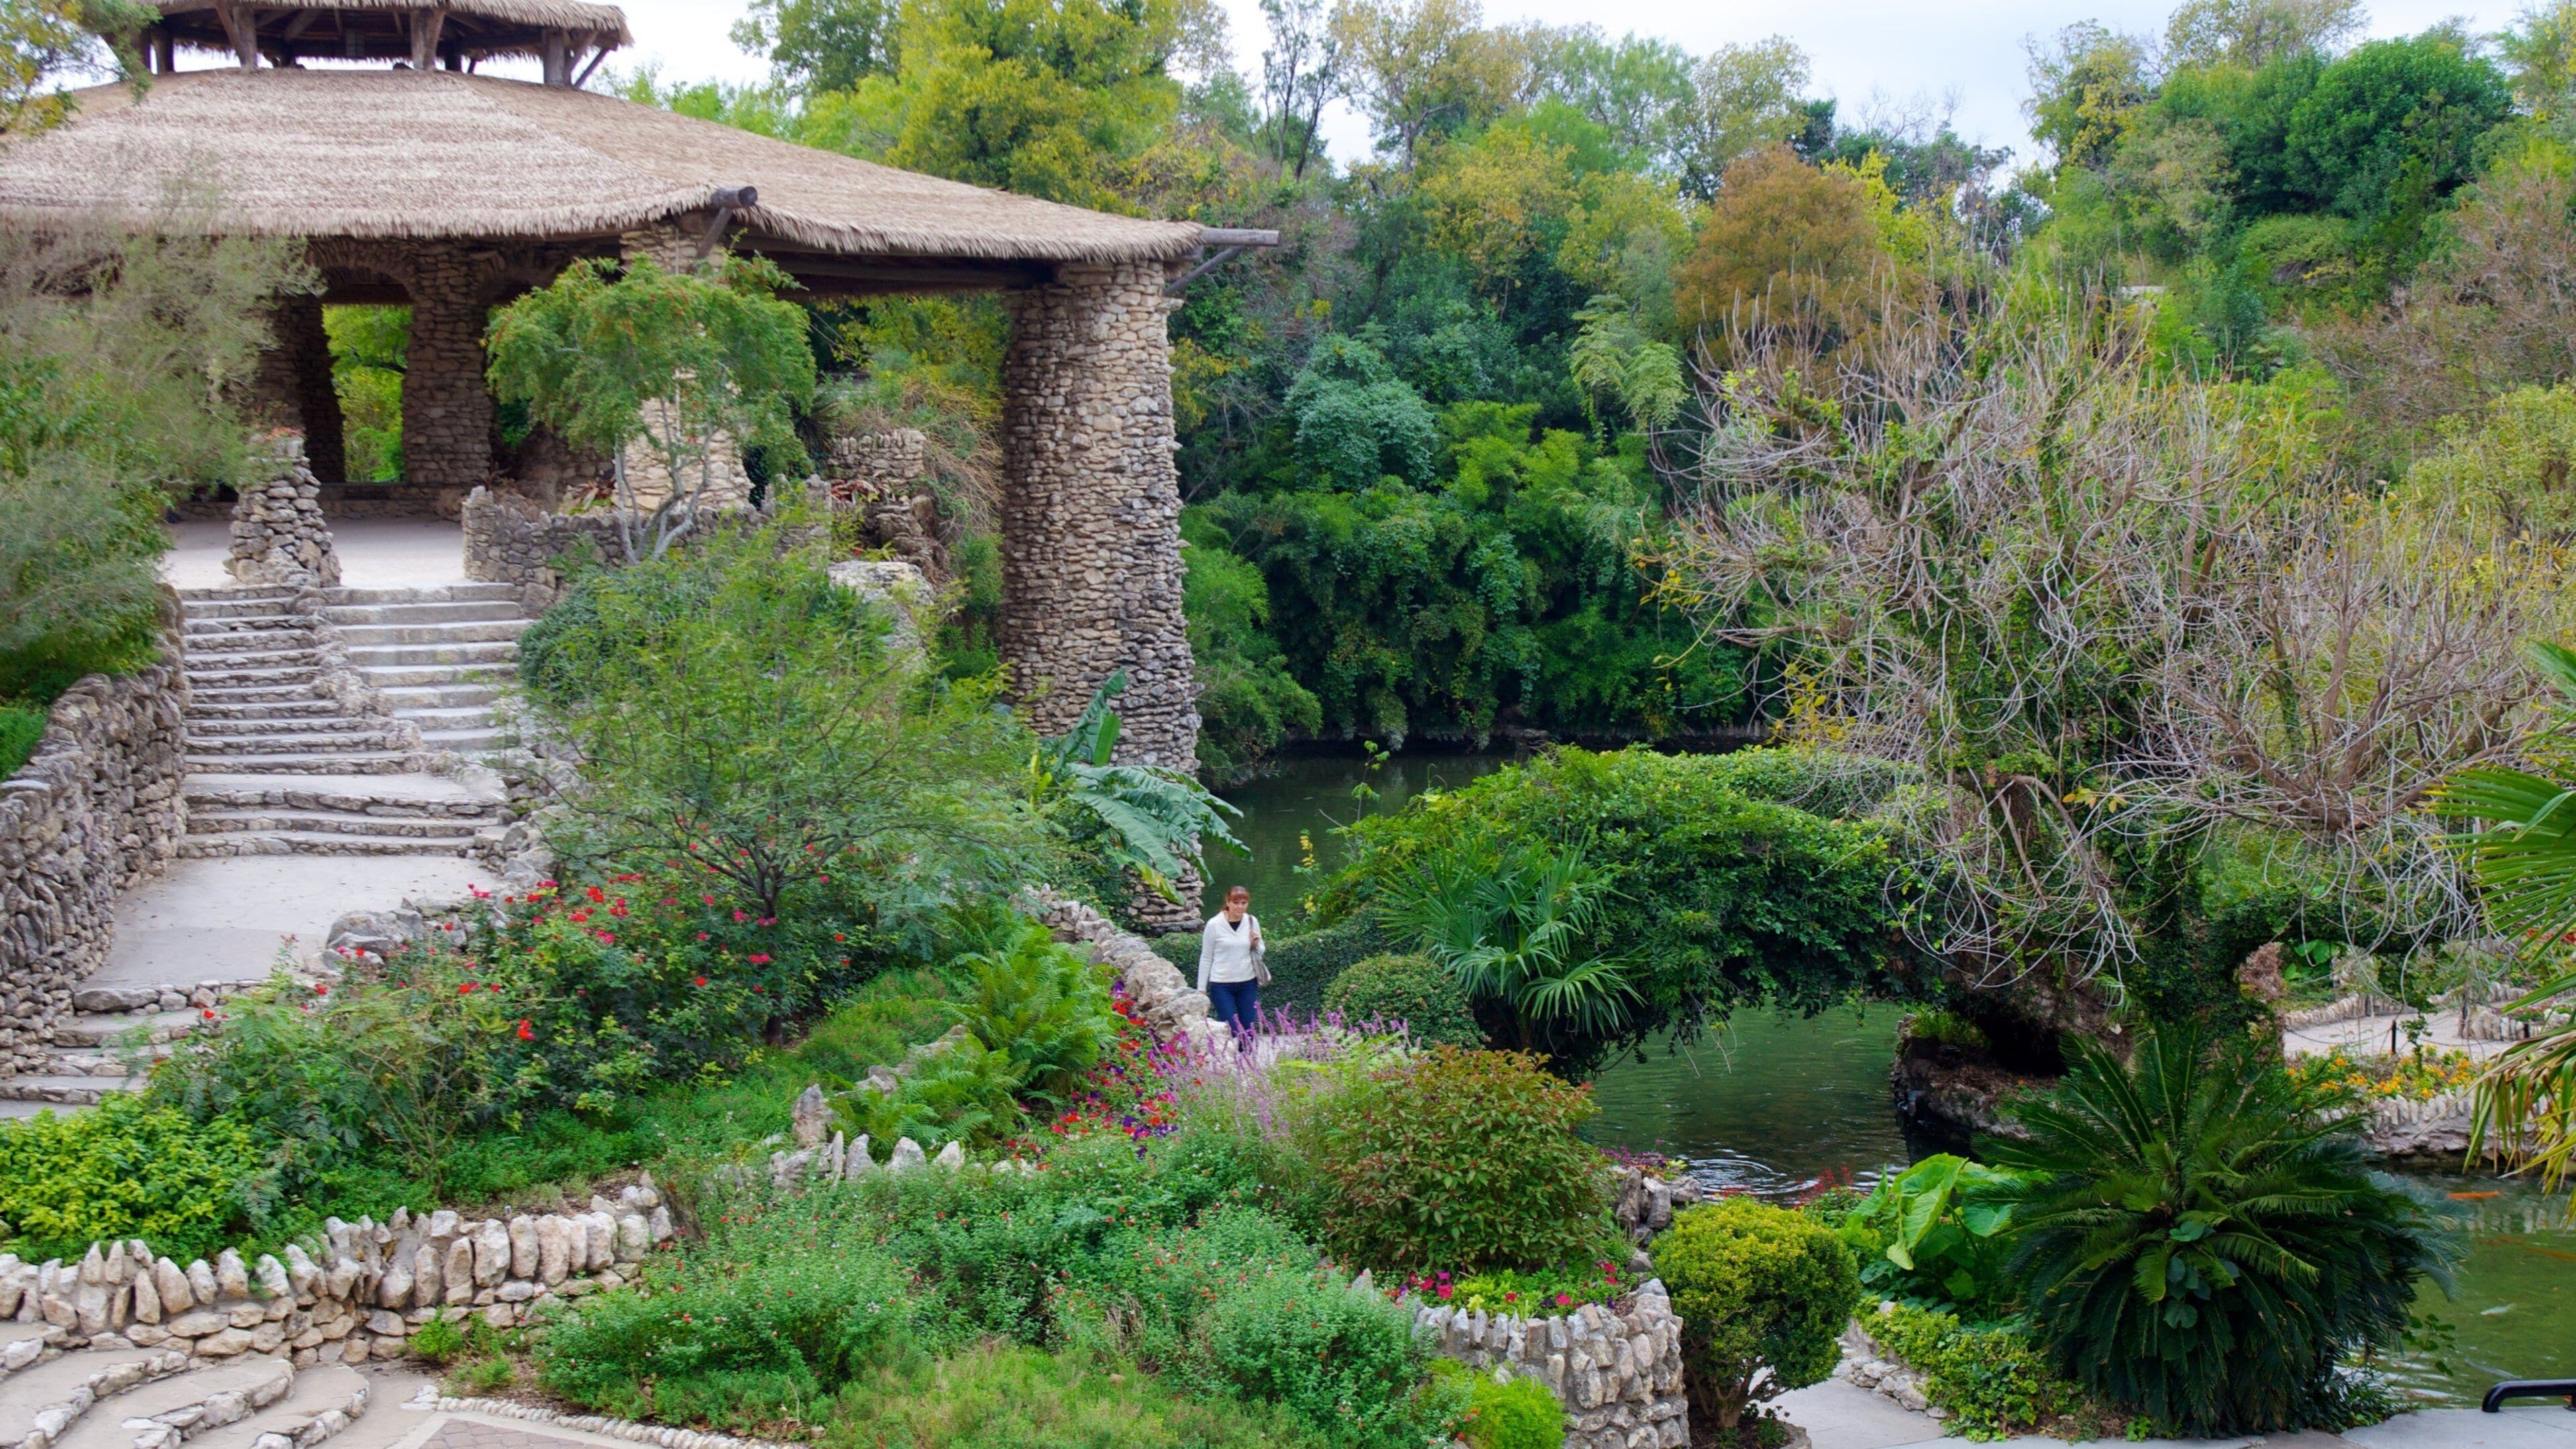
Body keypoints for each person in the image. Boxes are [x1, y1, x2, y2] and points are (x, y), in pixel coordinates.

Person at [1197, 885, 1265, 1035]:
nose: (1240, 907)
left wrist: (1256, 943)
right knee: (1231, 1029)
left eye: (1244, 903)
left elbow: (1260, 951)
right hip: (1221, 985)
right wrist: (1201, 989)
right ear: (1228, 902)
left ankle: (1247, 1058)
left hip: (1248, 982)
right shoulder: (1214, 924)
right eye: (1236, 903)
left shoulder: (1252, 921)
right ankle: (1231, 1058)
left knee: (1248, 1030)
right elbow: (1206, 957)